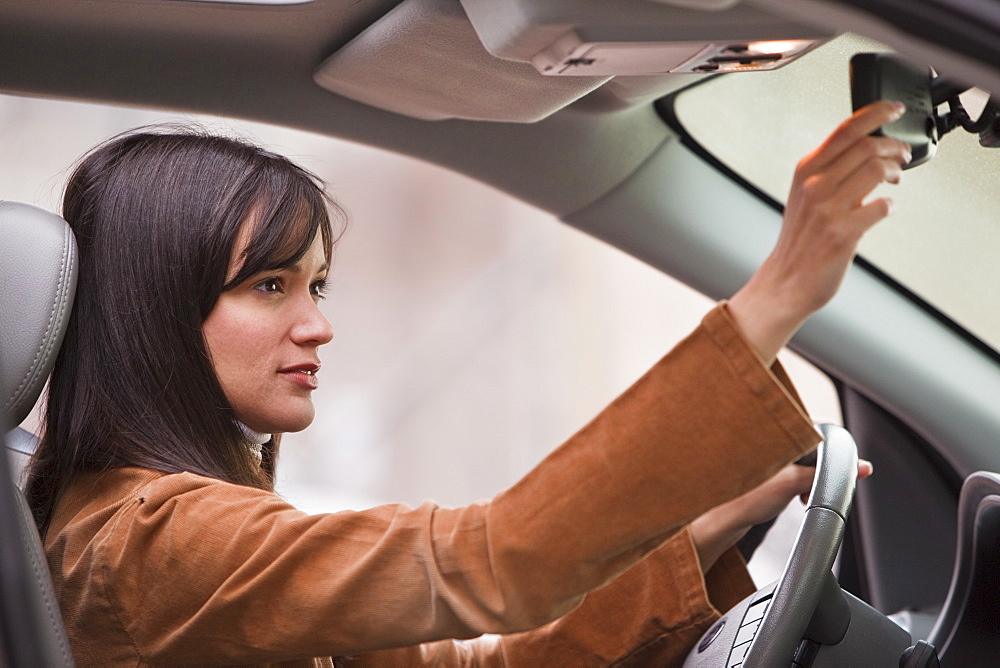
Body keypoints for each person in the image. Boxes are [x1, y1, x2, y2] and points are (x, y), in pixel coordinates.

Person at [28, 100, 909, 667]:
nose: (318, 324)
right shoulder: (155, 543)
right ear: (155, 309)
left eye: (317, 285)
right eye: (270, 285)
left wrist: (707, 521)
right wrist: (781, 295)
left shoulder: (159, 525)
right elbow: (498, 561)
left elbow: (482, 666)